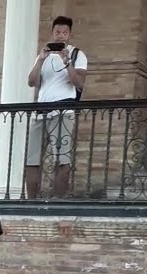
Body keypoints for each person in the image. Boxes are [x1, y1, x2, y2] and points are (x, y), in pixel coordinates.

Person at [24, 15, 88, 199]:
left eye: (64, 32)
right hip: (40, 111)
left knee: (62, 159)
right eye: (57, 32)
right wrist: (41, 60)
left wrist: (67, 62)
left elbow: (79, 83)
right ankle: (31, 203)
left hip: (63, 112)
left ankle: (58, 202)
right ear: (52, 33)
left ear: (69, 35)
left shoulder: (77, 55)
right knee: (32, 160)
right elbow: (32, 82)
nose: (60, 36)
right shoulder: (43, 55)